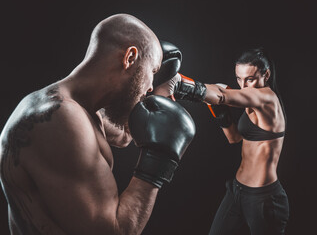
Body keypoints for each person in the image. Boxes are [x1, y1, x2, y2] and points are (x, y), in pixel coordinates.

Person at [0, 14, 195, 235]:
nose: (150, 86)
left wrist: (157, 90)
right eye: (152, 73)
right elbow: (114, 232)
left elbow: (123, 136)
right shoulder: (61, 120)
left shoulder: (83, 110)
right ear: (130, 57)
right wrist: (159, 162)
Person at [154, 47, 289, 234]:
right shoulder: (251, 99)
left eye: (250, 79)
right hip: (237, 191)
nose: (244, 85)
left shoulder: (267, 98)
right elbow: (234, 138)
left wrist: (179, 85)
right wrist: (221, 113)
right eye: (239, 79)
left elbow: (223, 95)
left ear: (266, 74)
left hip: (264, 199)